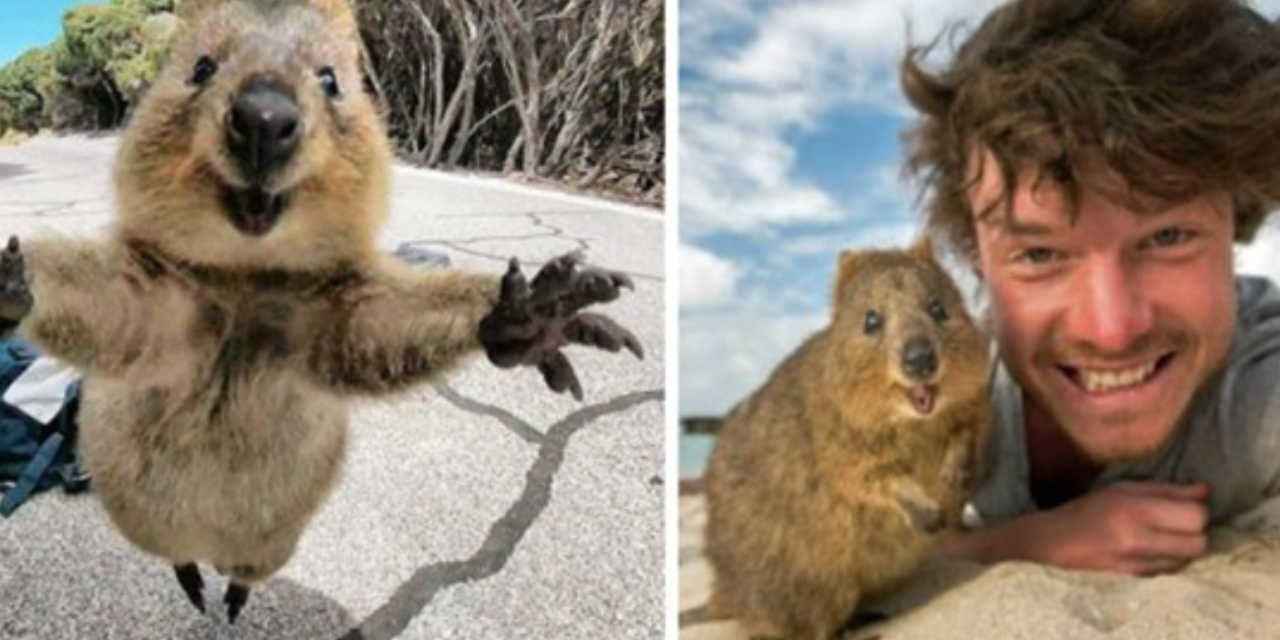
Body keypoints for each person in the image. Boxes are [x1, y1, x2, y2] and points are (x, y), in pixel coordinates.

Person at [900, 0, 1280, 576]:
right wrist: (1027, 541)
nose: (1112, 329)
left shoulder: (1260, 394)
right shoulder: (943, 397)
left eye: (1168, 236)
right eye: (1040, 254)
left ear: (1238, 217)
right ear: (979, 260)